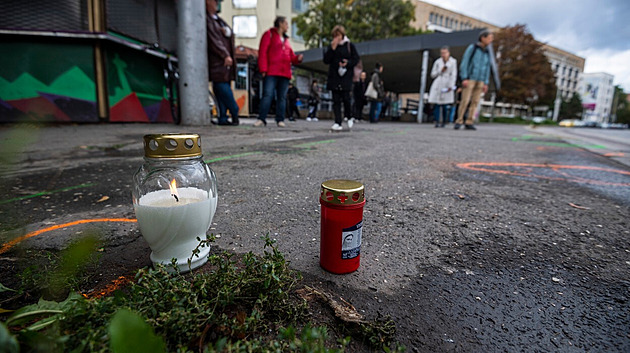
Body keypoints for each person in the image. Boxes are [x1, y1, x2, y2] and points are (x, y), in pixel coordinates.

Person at [256, 16, 303, 127]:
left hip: (284, 73)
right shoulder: (269, 35)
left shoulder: (286, 40)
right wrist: (263, 69)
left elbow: (291, 56)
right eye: (286, 23)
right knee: (268, 94)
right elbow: (263, 52)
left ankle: (280, 119)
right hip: (272, 71)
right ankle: (261, 118)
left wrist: (297, 59)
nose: (287, 26)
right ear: (280, 24)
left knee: (282, 97)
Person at [206, 0, 239, 126]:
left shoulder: (217, 20)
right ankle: (229, 113)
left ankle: (225, 115)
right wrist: (225, 54)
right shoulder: (208, 20)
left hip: (223, 60)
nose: (216, 3)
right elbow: (213, 40)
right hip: (218, 60)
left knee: (221, 86)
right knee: (220, 86)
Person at [323, 25, 360, 131]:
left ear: (342, 35)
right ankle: (337, 122)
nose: (336, 38)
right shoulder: (331, 46)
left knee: (346, 99)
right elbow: (326, 60)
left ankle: (349, 116)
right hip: (334, 77)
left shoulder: (349, 45)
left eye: (338, 35)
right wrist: (332, 49)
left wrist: (347, 63)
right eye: (334, 36)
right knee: (336, 100)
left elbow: (356, 59)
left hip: (346, 77)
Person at [455, 30, 494, 130]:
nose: (491, 40)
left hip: (480, 80)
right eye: (489, 38)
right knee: (465, 100)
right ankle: (459, 120)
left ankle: (469, 121)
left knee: (475, 102)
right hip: (470, 79)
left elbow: (488, 67)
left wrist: (486, 82)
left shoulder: (487, 52)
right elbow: (465, 62)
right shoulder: (473, 48)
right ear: (483, 38)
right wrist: (464, 77)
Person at [428, 46, 457, 128]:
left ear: (448, 53)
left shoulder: (453, 62)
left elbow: (454, 74)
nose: (443, 55)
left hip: (447, 82)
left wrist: (451, 85)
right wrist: (440, 70)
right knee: (437, 103)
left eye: (445, 53)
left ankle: (444, 121)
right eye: (442, 53)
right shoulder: (437, 62)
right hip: (438, 82)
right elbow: (432, 74)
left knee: (445, 104)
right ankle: (437, 121)